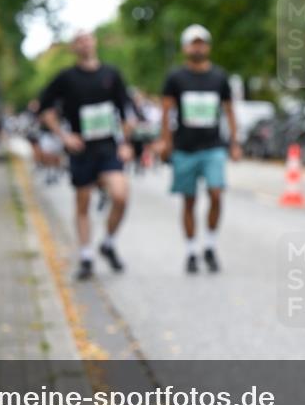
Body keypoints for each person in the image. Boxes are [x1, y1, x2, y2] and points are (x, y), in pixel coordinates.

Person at [39, 31, 134, 280]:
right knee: (83, 201)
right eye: (78, 40)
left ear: (95, 42)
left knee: (120, 195)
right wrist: (64, 136)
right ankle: (86, 256)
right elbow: (44, 110)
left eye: (87, 38)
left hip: (108, 146)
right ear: (73, 47)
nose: (84, 42)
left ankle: (109, 242)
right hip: (82, 149)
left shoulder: (111, 74)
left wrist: (125, 142)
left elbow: (127, 111)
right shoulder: (66, 78)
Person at [156, 24, 241, 274]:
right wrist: (165, 142)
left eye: (202, 42)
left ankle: (211, 246)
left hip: (213, 146)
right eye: (193, 43)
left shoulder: (219, 77)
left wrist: (235, 143)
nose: (198, 47)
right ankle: (192, 250)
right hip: (185, 148)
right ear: (185, 48)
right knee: (189, 200)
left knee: (216, 193)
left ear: (208, 46)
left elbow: (229, 111)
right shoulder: (176, 78)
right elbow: (166, 111)